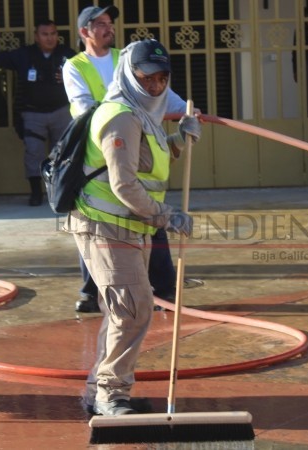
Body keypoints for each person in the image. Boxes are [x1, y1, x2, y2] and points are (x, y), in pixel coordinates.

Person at [62, 39, 201, 416]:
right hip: (104, 226)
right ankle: (111, 395)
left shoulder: (142, 115)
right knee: (134, 309)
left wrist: (178, 139)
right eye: (146, 78)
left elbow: (145, 160)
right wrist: (166, 215)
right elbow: (124, 183)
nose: (155, 86)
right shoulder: (120, 115)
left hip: (128, 227)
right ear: (129, 74)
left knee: (122, 309)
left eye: (162, 79)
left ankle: (100, 391)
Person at [63, 5, 191, 313]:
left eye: (110, 23)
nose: (109, 28)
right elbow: (82, 106)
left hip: (139, 139)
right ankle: (92, 292)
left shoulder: (129, 56)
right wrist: (120, 118)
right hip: (103, 145)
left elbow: (163, 94)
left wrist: (187, 114)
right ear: (85, 32)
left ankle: (162, 291)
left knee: (147, 213)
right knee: (98, 224)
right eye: (101, 24)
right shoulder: (76, 66)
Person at [0, 19, 77, 206]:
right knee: (33, 154)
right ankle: (36, 193)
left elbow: (86, 71)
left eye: (53, 33)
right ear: (36, 36)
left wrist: (68, 76)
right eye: (45, 34)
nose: (50, 38)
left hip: (61, 112)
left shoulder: (68, 55)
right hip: (32, 114)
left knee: (62, 155)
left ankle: (60, 193)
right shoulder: (24, 55)